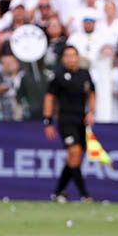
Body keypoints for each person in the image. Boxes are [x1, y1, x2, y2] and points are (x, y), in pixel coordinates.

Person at [43, 45, 95, 203]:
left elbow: (92, 93)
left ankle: (58, 192)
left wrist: (92, 112)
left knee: (75, 159)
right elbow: (49, 97)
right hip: (66, 120)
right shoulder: (58, 76)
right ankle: (84, 195)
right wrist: (48, 121)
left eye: (73, 55)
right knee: (75, 152)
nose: (71, 58)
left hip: (81, 121)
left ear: (78, 57)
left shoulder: (85, 74)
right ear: (63, 58)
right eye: (67, 55)